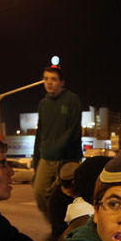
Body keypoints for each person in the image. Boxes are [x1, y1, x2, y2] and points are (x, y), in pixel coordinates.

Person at [32, 65, 83, 218]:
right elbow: (40, 132)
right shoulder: (43, 104)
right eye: (46, 79)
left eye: (53, 79)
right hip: (46, 158)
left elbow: (73, 130)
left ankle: (64, 229)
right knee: (39, 192)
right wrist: (37, 158)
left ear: (62, 82)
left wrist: (59, 149)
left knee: (66, 197)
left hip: (67, 158)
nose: (49, 82)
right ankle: (55, 224)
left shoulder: (72, 100)